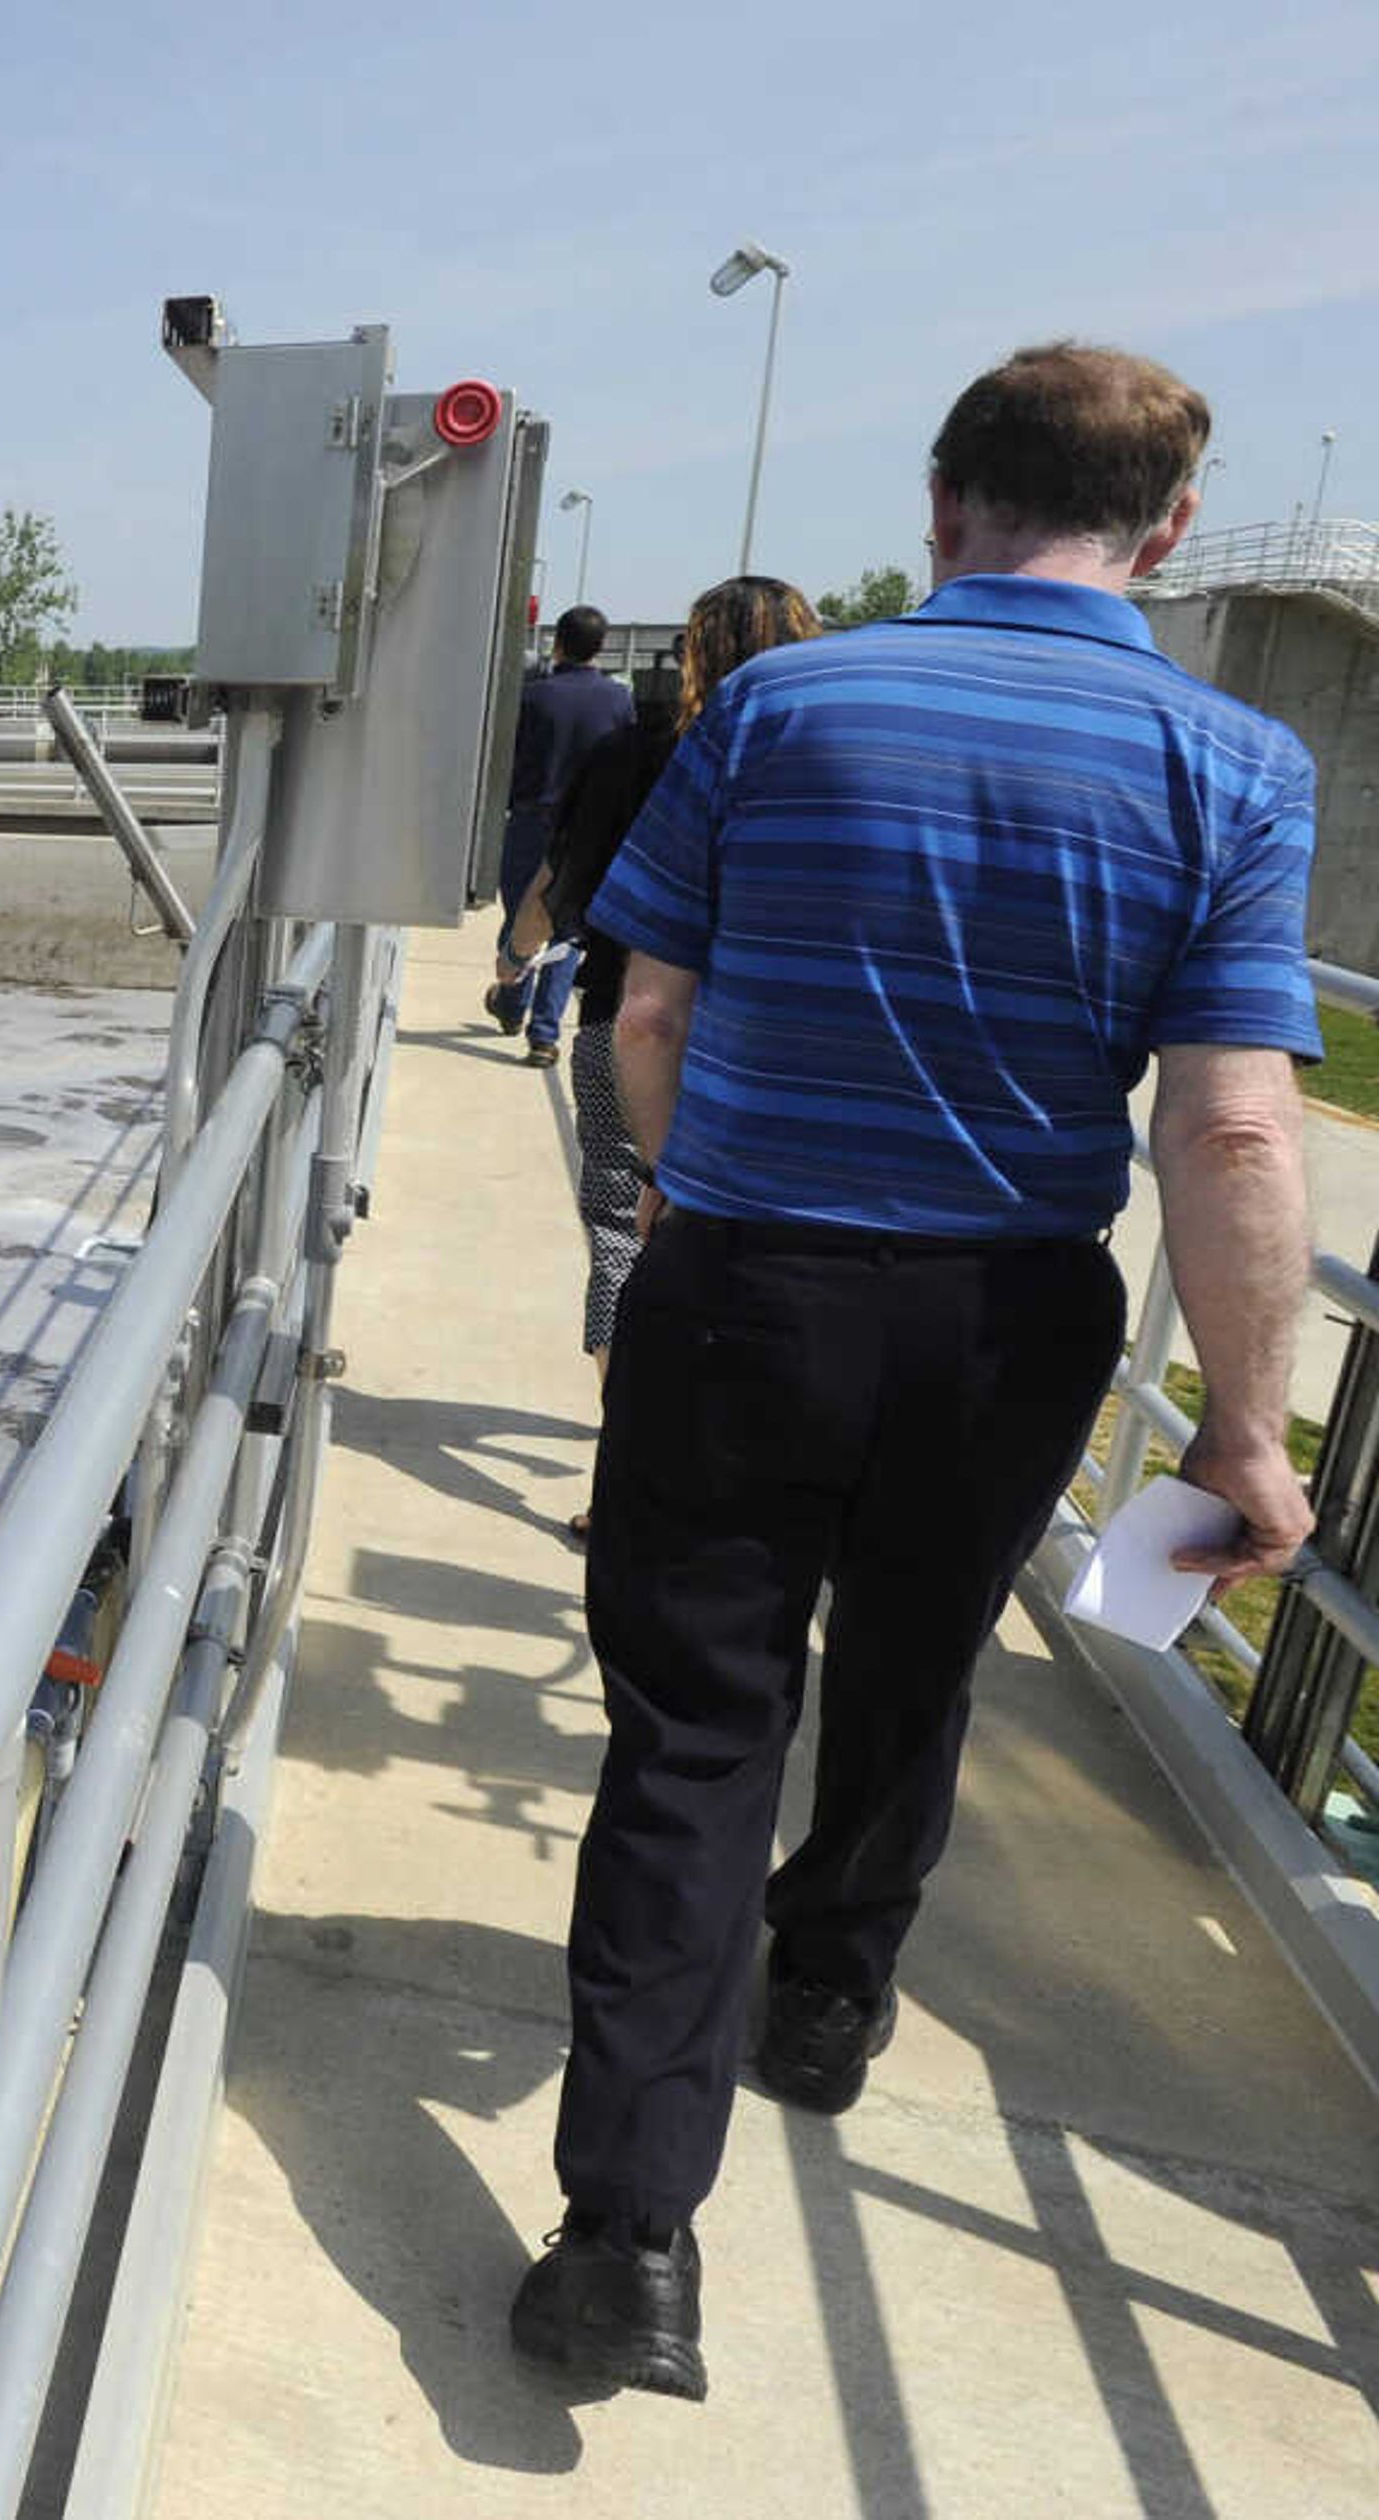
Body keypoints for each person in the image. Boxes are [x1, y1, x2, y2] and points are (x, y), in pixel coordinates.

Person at [509, 342, 1320, 2402]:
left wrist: (704, 1200)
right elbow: (1231, 1128)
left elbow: (648, 1009)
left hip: (745, 1290)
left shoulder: (779, 700)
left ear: (943, 504)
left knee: (693, 1737)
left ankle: (626, 2242)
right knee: (912, 1670)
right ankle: (830, 2005)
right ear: (1168, 532)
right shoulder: (1235, 767)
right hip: (1006, 1320)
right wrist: (1241, 1425)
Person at [499, 580, 824, 1514]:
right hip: (774, 1054)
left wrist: (520, 958)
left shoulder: (645, 751)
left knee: (620, 1237)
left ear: (693, 655)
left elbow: (568, 877)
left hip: (622, 1025)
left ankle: (633, 1472)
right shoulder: (825, 766)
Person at [484, 606, 635, 1065]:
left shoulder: (533, 698)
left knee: (519, 915)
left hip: (531, 821)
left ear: (558, 643)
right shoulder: (618, 701)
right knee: (568, 931)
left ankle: (511, 1004)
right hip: (589, 830)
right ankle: (544, 1035)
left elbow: (504, 761)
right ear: (601, 646)